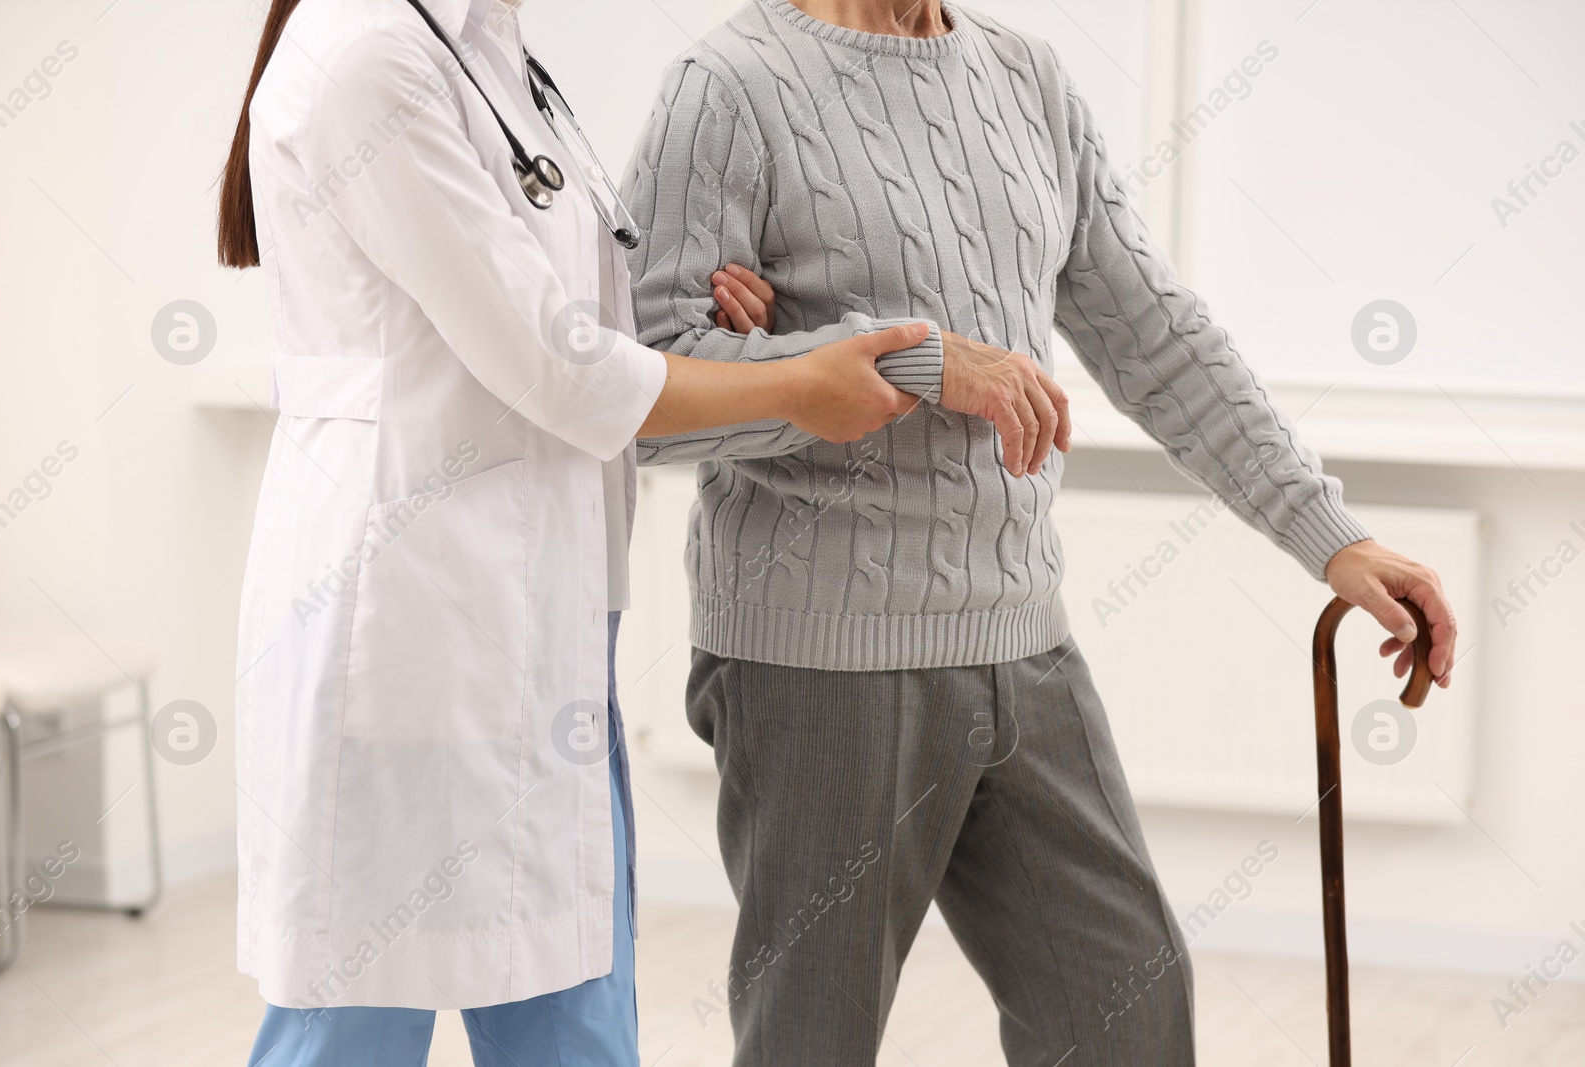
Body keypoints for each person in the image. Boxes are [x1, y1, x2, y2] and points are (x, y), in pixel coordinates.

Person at [624, 1, 1458, 1064]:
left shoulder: (1027, 77)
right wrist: (915, 362)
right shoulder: (727, 85)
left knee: (1127, 1010)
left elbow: (1155, 335)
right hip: (816, 661)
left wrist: (1329, 536)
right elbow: (643, 394)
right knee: (811, 1040)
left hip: (1024, 642)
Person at [214, 0, 924, 1063]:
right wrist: (785, 389)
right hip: (408, 633)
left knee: (574, 1016)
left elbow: (577, 324)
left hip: (545, 619)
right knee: (355, 1018)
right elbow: (550, 364)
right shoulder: (367, 56)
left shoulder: (489, 51)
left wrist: (737, 337)